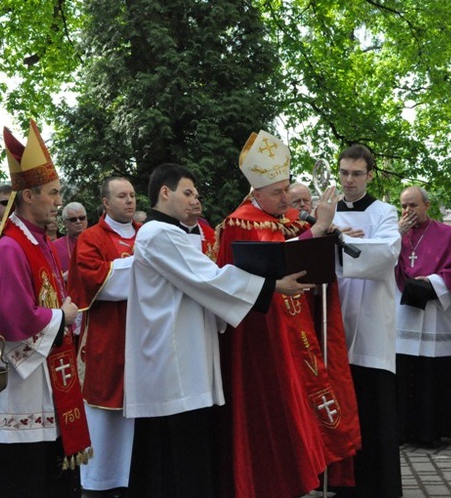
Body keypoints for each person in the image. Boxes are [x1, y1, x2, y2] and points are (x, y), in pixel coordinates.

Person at [124, 162, 314, 497]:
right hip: (173, 361)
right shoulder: (158, 234)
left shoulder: (174, 233)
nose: (195, 200)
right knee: (177, 455)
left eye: (196, 193)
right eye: (187, 192)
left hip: (183, 352)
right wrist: (271, 285)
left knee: (183, 450)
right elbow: (208, 278)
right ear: (164, 192)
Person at [216, 130, 360, 497]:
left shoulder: (280, 217)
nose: (285, 198)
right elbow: (277, 259)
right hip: (262, 339)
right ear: (256, 192)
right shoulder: (241, 222)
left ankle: (303, 475)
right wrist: (319, 229)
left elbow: (294, 239)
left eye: (286, 189)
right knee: (277, 411)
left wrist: (325, 231)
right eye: (278, 192)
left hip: (292, 330)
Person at [0, 120, 91, 498]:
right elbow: (10, 318)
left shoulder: (36, 241)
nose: (59, 201)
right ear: (28, 196)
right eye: (53, 193)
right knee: (25, 481)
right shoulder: (12, 247)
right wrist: (64, 316)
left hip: (44, 381)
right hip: (20, 393)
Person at [331, 143, 402, 497]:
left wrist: (340, 243)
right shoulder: (326, 213)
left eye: (357, 173)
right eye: (344, 172)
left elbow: (387, 252)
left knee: (374, 410)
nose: (349, 180)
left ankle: (381, 488)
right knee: (342, 410)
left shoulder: (384, 211)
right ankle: (343, 486)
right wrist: (337, 238)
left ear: (370, 175)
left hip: (372, 324)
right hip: (335, 320)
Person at [67, 177, 140, 496]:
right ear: (106, 203)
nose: (130, 201)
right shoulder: (92, 238)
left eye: (133, 195)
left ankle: (133, 478)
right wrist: (144, 268)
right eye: (122, 196)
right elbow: (98, 283)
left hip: (142, 337)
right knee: (103, 412)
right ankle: (98, 482)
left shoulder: (145, 235)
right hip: (107, 338)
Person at [395, 186, 451, 447]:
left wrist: (432, 282)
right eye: (403, 206)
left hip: (435, 311)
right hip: (405, 312)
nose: (407, 211)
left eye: (413, 205)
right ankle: (404, 431)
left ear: (427, 206)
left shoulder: (448, 234)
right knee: (406, 371)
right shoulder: (398, 236)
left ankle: (431, 432)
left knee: (431, 373)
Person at [55, 201, 88, 274]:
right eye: (73, 219)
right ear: (64, 223)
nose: (78, 222)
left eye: (82, 218)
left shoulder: (98, 240)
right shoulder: (55, 246)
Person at [181, 194, 216, 259]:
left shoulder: (211, 235)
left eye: (197, 198)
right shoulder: (168, 231)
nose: (196, 202)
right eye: (190, 199)